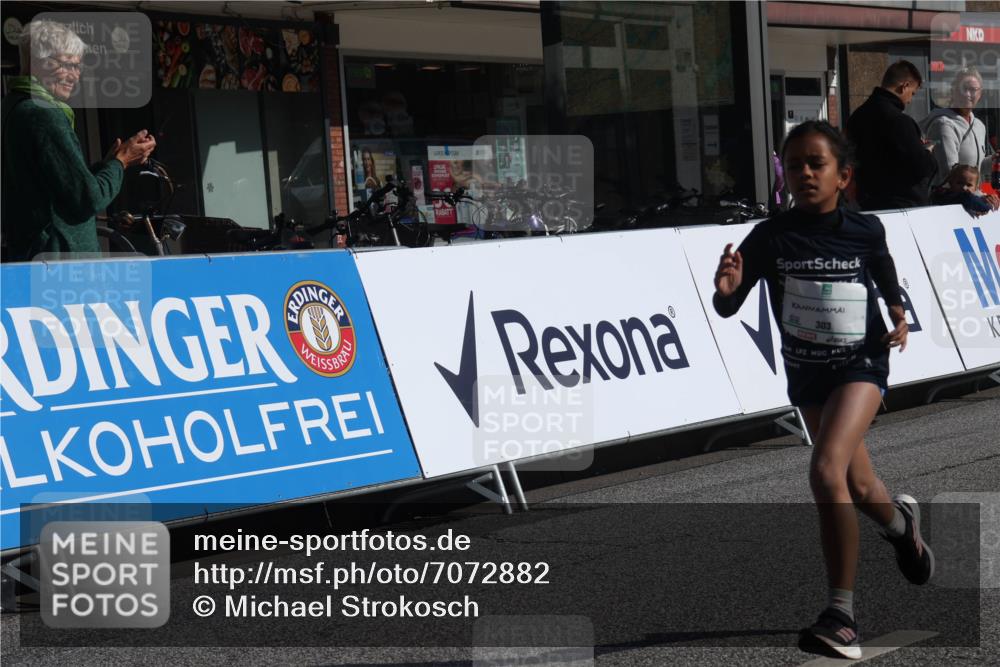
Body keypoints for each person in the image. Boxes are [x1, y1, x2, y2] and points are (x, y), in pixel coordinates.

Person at [713, 121, 934, 660]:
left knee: (826, 469)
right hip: (807, 372)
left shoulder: (864, 230)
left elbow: (883, 275)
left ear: (844, 176)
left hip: (860, 363)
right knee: (857, 484)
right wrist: (726, 287)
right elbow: (728, 305)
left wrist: (899, 314)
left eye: (817, 164)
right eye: (794, 166)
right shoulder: (771, 235)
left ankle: (841, 616)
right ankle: (903, 528)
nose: (805, 173)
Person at [1, 19, 156, 262]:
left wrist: (106, 165)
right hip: (59, 263)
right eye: (68, 66)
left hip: (34, 257)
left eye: (78, 67)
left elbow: (60, 187)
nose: (75, 76)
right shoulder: (43, 114)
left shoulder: (13, 106)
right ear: (41, 63)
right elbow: (87, 198)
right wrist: (120, 163)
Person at [845, 60, 937, 210]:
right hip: (901, 207)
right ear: (904, 86)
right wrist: (927, 152)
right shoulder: (899, 121)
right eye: (912, 93)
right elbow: (920, 167)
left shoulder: (856, 117)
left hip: (865, 203)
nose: (910, 100)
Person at [919, 67, 993, 188]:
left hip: (970, 199)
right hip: (950, 202)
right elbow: (950, 175)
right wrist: (981, 199)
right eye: (964, 89)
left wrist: (993, 160)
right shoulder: (943, 124)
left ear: (980, 94)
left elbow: (976, 165)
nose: (968, 94)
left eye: (973, 90)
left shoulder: (979, 126)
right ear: (953, 91)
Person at [931, 163, 997, 216]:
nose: (964, 187)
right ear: (951, 183)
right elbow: (967, 198)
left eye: (969, 185)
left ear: (976, 188)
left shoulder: (972, 197)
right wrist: (985, 207)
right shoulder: (944, 195)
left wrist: (984, 200)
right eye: (959, 183)